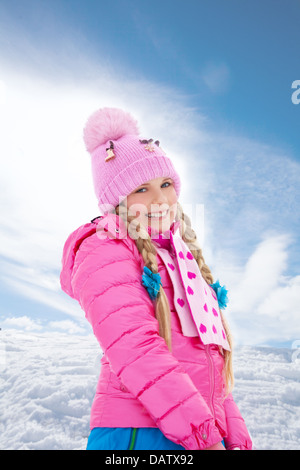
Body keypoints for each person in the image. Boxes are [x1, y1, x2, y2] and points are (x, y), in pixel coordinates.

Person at [60, 107, 253, 450]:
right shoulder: (106, 247)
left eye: (165, 184)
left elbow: (206, 360)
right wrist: (205, 437)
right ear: (118, 201)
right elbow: (136, 350)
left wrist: (230, 431)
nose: (161, 199)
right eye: (141, 189)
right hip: (136, 435)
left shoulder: (180, 258)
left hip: (193, 430)